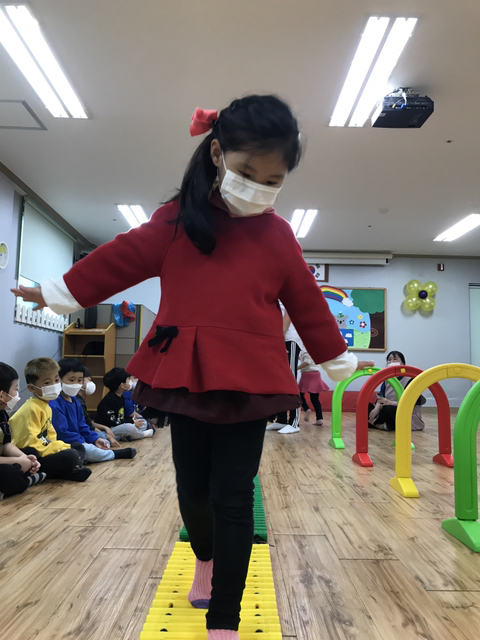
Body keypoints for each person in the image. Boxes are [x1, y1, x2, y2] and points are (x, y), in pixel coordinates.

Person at [12, 95, 373, 640]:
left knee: (234, 495)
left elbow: (306, 299)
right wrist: (57, 291)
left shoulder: (278, 234)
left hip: (251, 379)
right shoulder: (179, 219)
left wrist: (335, 359)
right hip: (184, 371)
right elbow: (122, 256)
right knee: (193, 490)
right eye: (248, 173)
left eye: (273, 181)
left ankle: (224, 618)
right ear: (217, 153)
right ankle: (204, 555)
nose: (259, 188)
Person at [9, 358, 92, 482]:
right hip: (30, 452)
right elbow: (32, 443)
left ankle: (69, 469)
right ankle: (64, 470)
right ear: (32, 388)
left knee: (77, 447)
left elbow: (51, 435)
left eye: (57, 380)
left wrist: (61, 446)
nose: (54, 385)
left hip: (44, 448)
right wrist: (59, 448)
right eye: (47, 383)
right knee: (71, 454)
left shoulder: (46, 405)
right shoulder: (32, 408)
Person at [50, 358, 137, 462]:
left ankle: (91, 456)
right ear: (59, 379)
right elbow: (62, 433)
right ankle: (114, 454)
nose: (76, 384)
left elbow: (83, 426)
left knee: (102, 442)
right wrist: (83, 442)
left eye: (80, 380)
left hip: (79, 440)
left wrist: (95, 439)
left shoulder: (75, 401)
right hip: (65, 443)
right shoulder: (55, 403)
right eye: (71, 380)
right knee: (86, 450)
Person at [0, 362, 46, 499]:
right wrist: (16, 461)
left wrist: (23, 458)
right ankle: (24, 481)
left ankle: (21, 477)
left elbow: (6, 444)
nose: (17, 393)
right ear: (2, 395)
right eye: (15, 388)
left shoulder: (2, 413)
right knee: (8, 474)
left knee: (31, 452)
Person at [368, 350, 425, 431]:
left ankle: (376, 424)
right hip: (386, 408)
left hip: (405, 412)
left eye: (395, 359)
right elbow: (381, 398)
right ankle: (379, 423)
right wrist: (375, 410)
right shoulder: (387, 380)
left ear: (403, 364)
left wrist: (389, 402)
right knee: (366, 406)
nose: (391, 361)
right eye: (389, 360)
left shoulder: (410, 380)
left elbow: (411, 403)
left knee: (389, 409)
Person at [266, 307, 303, 433]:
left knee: (290, 379)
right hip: (277, 338)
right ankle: (282, 419)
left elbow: (290, 310)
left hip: (288, 339)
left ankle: (294, 422)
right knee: (278, 381)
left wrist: (282, 333)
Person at [96, 368, 154, 440]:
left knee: (143, 422)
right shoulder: (109, 400)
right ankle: (142, 434)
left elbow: (122, 417)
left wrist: (133, 420)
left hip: (120, 425)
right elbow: (113, 422)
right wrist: (132, 422)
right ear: (122, 385)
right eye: (128, 379)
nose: (130, 382)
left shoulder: (121, 397)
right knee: (129, 428)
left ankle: (127, 436)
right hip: (109, 428)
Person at [77, 367, 120, 447]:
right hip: (82, 433)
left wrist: (105, 428)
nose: (91, 383)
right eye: (89, 380)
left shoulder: (81, 400)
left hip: (89, 430)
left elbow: (88, 421)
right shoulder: (78, 401)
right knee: (103, 439)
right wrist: (105, 434)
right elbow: (88, 426)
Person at [298, 348, 329, 426]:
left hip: (307, 374)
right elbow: (302, 358)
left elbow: (306, 362)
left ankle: (306, 408)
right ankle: (319, 419)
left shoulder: (306, 351)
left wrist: (297, 367)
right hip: (315, 374)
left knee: (299, 394)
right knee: (315, 399)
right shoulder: (313, 351)